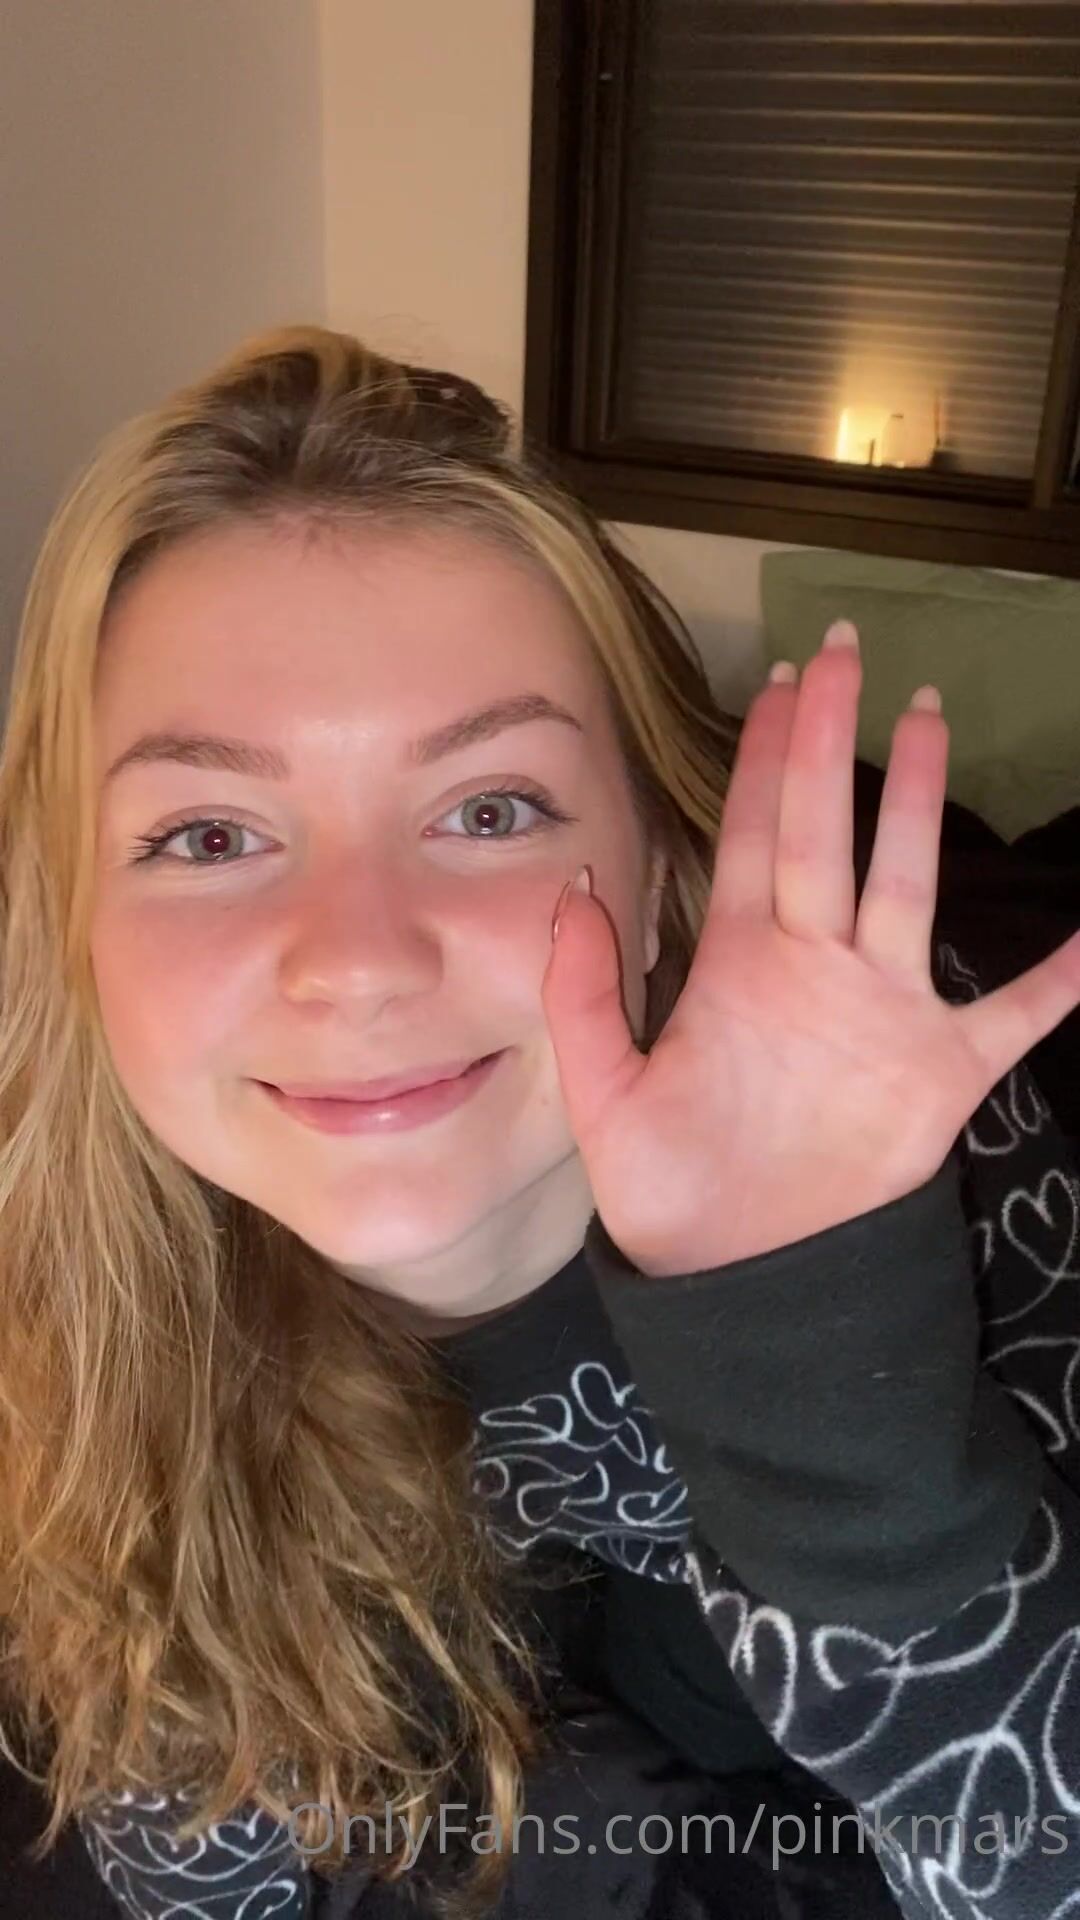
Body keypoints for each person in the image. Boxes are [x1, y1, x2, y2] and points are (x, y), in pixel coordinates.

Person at [0, 325, 1078, 1920]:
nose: (358, 960)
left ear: (660, 868)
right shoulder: (55, 1334)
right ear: (72, 923)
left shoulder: (912, 1128)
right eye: (209, 833)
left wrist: (825, 1369)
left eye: (489, 809)